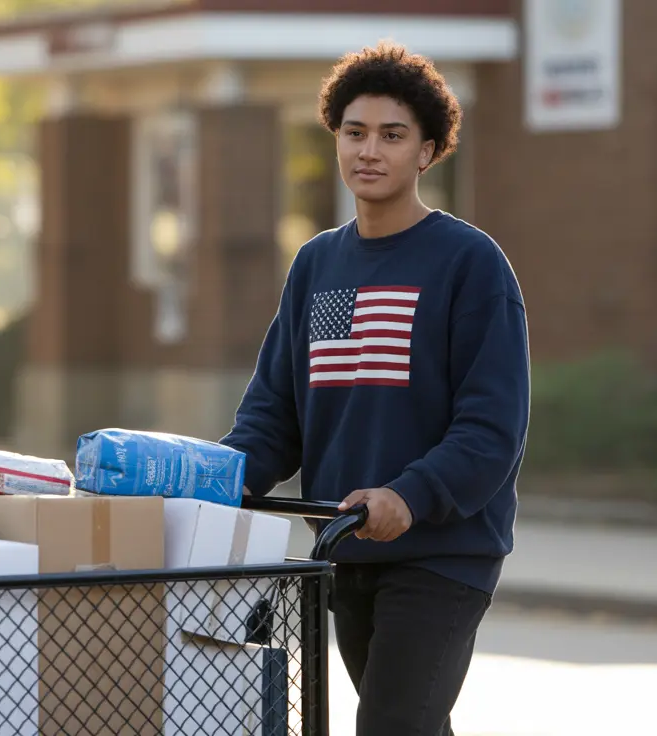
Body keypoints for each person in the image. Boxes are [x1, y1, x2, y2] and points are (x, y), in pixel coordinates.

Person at [219, 40, 531, 735]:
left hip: (442, 552)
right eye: (355, 132)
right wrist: (210, 476)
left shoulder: (469, 263)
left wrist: (407, 495)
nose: (370, 150)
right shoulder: (318, 264)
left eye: (393, 136)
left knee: (392, 725)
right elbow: (275, 416)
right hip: (347, 549)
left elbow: (491, 430)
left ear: (426, 152)